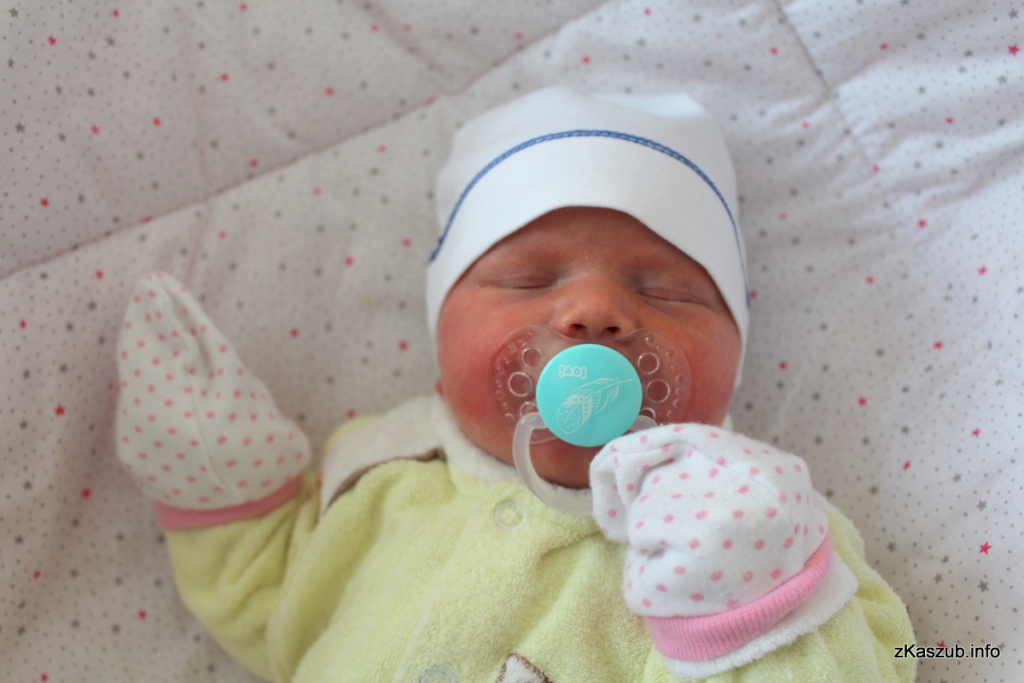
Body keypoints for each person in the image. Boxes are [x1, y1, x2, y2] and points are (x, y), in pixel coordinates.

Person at [115, 86, 916, 682]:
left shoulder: (763, 525)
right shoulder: (380, 470)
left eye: (667, 291)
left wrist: (751, 605)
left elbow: (876, 662)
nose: (594, 310)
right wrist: (220, 474)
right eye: (529, 279)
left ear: (736, 353)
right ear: (439, 335)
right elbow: (271, 600)